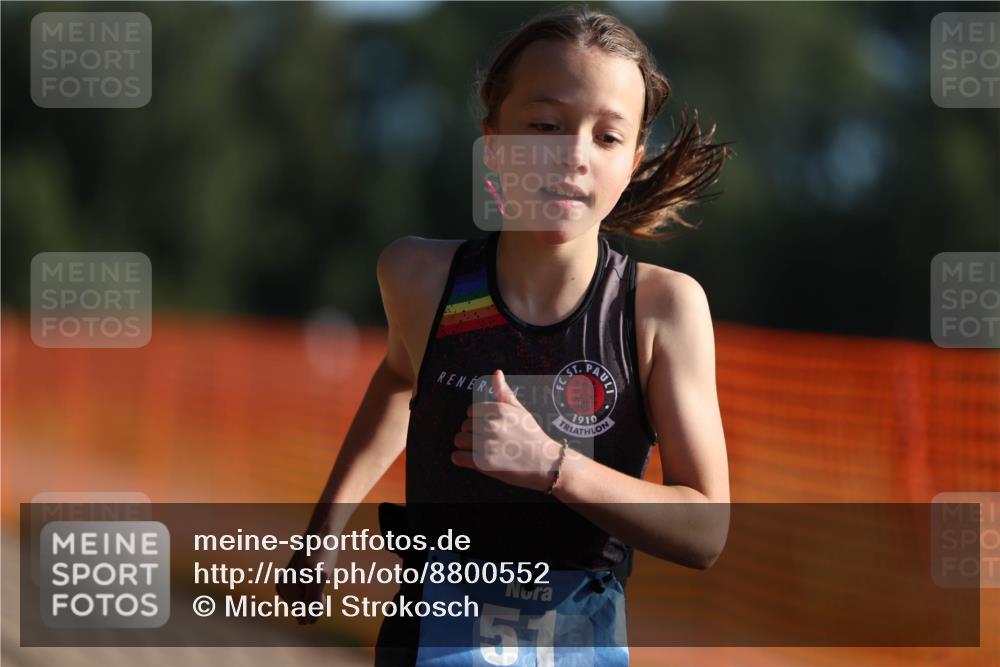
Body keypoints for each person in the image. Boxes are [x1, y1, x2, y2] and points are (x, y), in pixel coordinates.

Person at [278, 5, 732, 665]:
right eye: (545, 124)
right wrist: (324, 529)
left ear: (632, 162)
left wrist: (553, 465)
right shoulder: (422, 279)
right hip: (430, 635)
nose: (574, 155)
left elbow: (706, 528)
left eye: (606, 137)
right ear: (492, 141)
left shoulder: (659, 309)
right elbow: (402, 379)